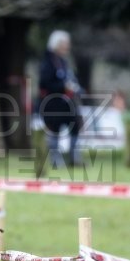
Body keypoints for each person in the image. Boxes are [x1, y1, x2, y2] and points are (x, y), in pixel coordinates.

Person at [37, 30, 83, 168]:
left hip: (66, 104)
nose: (67, 47)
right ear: (56, 44)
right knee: (54, 131)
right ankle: (55, 160)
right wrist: (63, 87)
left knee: (75, 126)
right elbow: (44, 84)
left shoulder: (64, 61)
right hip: (52, 104)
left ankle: (74, 158)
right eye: (64, 44)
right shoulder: (48, 62)